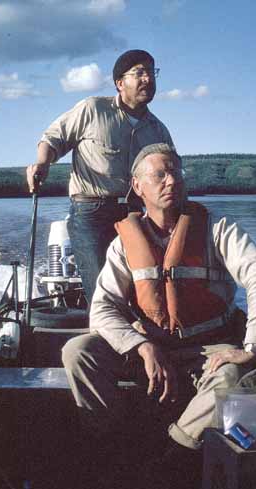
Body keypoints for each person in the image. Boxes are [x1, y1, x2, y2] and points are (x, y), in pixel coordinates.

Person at [62, 143, 256, 489]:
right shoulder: (123, 245)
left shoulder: (217, 229)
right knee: (78, 351)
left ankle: (169, 455)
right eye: (160, 174)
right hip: (149, 346)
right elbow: (102, 311)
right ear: (138, 187)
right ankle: (112, 445)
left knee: (228, 380)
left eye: (176, 172)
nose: (171, 181)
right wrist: (141, 345)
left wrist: (252, 347)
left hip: (208, 345)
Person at [26, 49, 173, 304]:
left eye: (152, 72)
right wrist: (42, 163)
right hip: (91, 213)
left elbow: (168, 174)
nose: (148, 79)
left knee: (144, 285)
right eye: (140, 73)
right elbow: (53, 138)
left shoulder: (157, 130)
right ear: (120, 83)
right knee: (102, 290)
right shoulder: (93, 109)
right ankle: (107, 335)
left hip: (136, 214)